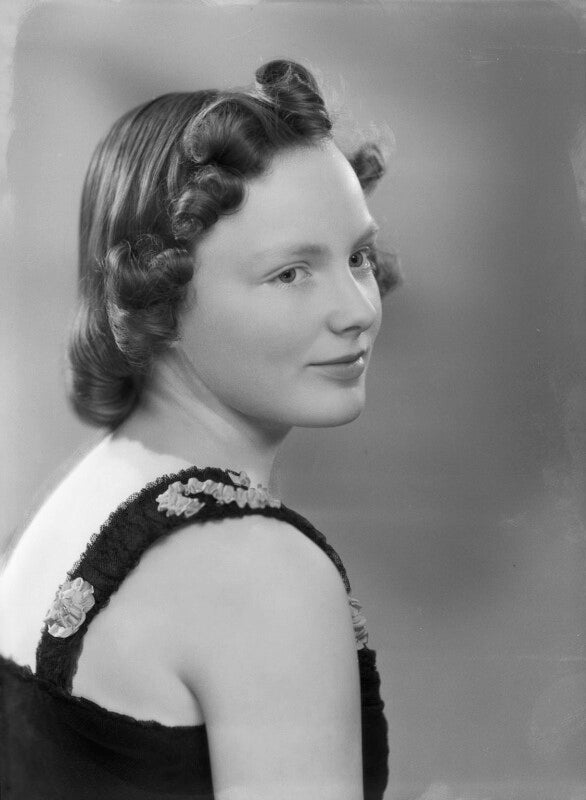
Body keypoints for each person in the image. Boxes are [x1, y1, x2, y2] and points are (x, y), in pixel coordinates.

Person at [0, 59, 399, 799]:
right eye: (290, 273)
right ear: (160, 289)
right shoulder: (260, 570)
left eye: (359, 258)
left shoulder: (90, 491)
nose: (358, 310)